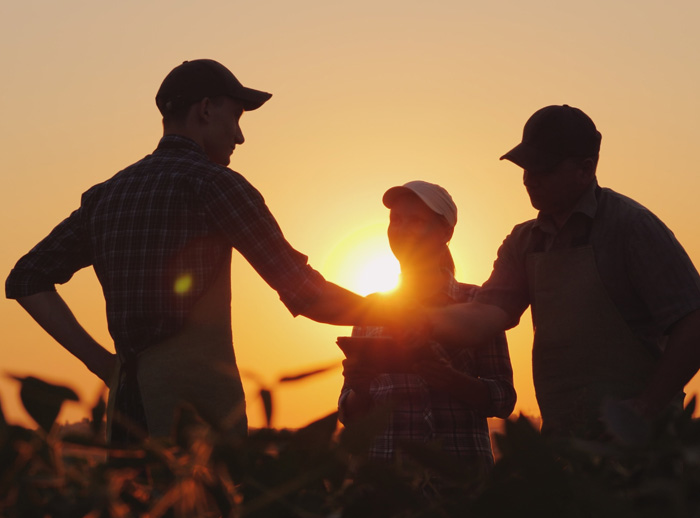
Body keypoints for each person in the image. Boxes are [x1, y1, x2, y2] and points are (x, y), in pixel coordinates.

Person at [5, 59, 379, 443]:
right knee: (205, 504)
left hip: (126, 418)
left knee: (131, 504)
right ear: (204, 110)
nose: (239, 136)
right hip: (199, 426)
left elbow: (26, 278)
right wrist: (397, 316)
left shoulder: (106, 196)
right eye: (235, 117)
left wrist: (103, 364)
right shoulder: (215, 185)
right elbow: (306, 293)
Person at [423, 105, 700, 438]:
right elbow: (486, 314)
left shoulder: (632, 228)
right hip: (564, 440)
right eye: (525, 166)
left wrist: (645, 409)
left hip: (644, 445)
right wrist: (411, 318)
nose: (530, 179)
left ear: (586, 169)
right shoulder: (524, 242)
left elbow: (693, 322)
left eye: (544, 168)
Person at [338, 181, 515, 470]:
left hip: (460, 478)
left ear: (446, 232)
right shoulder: (370, 309)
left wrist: (451, 380)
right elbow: (349, 412)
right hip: (386, 479)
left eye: (416, 220)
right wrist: (361, 387)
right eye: (396, 220)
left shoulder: (477, 303)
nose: (403, 229)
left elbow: (503, 399)